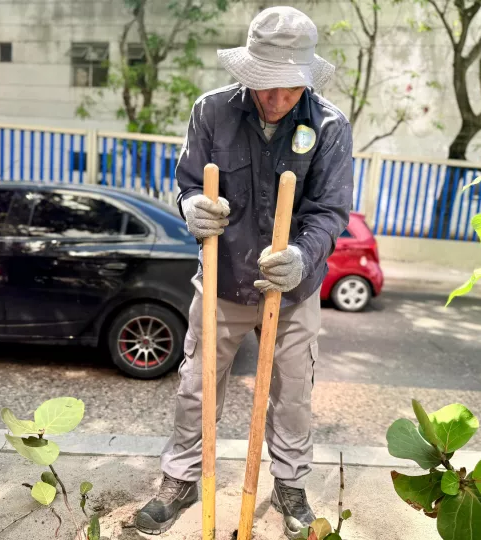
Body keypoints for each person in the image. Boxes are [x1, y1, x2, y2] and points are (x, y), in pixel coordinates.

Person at [135, 6, 354, 538]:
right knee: (197, 383)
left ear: (306, 77)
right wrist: (191, 205)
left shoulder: (329, 126)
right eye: (266, 84)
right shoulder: (211, 111)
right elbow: (189, 182)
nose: (276, 99)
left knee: (293, 392)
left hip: (294, 287)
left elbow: (329, 211)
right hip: (222, 276)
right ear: (248, 71)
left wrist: (301, 255)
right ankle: (181, 478)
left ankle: (290, 484)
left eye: (289, 87)